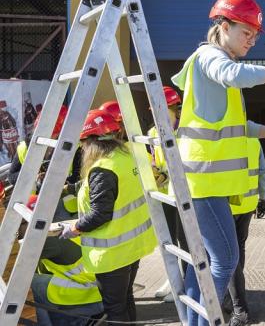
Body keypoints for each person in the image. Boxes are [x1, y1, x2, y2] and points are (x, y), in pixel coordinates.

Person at [170, 0, 265, 325]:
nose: (252, 41)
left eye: (255, 36)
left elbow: (237, 128)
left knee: (202, 261)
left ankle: (192, 320)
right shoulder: (210, 59)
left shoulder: (216, 69)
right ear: (223, 26)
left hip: (206, 181)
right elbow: (233, 74)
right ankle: (203, 321)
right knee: (225, 261)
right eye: (247, 33)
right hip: (204, 181)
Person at [59, 109, 157, 322]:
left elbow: (100, 213)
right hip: (132, 246)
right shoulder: (126, 156)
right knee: (125, 299)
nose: (83, 150)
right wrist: (68, 189)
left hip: (112, 254)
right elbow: (103, 188)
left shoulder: (102, 168)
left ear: (93, 142)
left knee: (114, 309)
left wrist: (75, 227)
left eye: (84, 144)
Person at [27, 195, 104, 326]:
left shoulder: (47, 239)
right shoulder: (58, 224)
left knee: (26, 285)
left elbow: (14, 259)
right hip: (98, 291)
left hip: (90, 296)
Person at [148, 86, 189, 302]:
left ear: (173, 108)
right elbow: (155, 161)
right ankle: (173, 278)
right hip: (164, 194)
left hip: (184, 194)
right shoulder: (153, 133)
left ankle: (187, 284)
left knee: (186, 240)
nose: (155, 113)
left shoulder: (186, 130)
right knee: (168, 239)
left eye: (160, 108)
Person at [223, 138, 265, 325]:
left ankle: (240, 309)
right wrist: (263, 197)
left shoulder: (221, 140)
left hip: (227, 206)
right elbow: (263, 171)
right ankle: (233, 296)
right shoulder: (253, 140)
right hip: (248, 204)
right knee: (238, 249)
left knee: (228, 256)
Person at [9, 104, 80, 221]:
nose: (51, 139)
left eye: (55, 135)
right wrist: (33, 176)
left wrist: (54, 179)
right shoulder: (24, 148)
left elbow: (78, 179)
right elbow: (12, 177)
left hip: (65, 206)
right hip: (34, 205)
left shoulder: (75, 148)